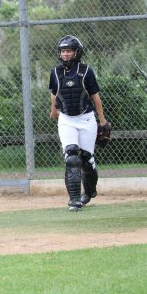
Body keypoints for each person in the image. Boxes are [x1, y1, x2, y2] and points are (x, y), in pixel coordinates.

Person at [49, 35, 108, 212]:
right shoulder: (56, 72)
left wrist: (102, 121)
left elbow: (95, 97)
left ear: (77, 52)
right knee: (71, 156)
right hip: (66, 119)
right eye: (63, 51)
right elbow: (54, 92)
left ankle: (89, 192)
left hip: (86, 118)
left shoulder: (86, 71)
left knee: (86, 159)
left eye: (69, 51)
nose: (65, 54)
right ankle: (74, 199)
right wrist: (53, 110)